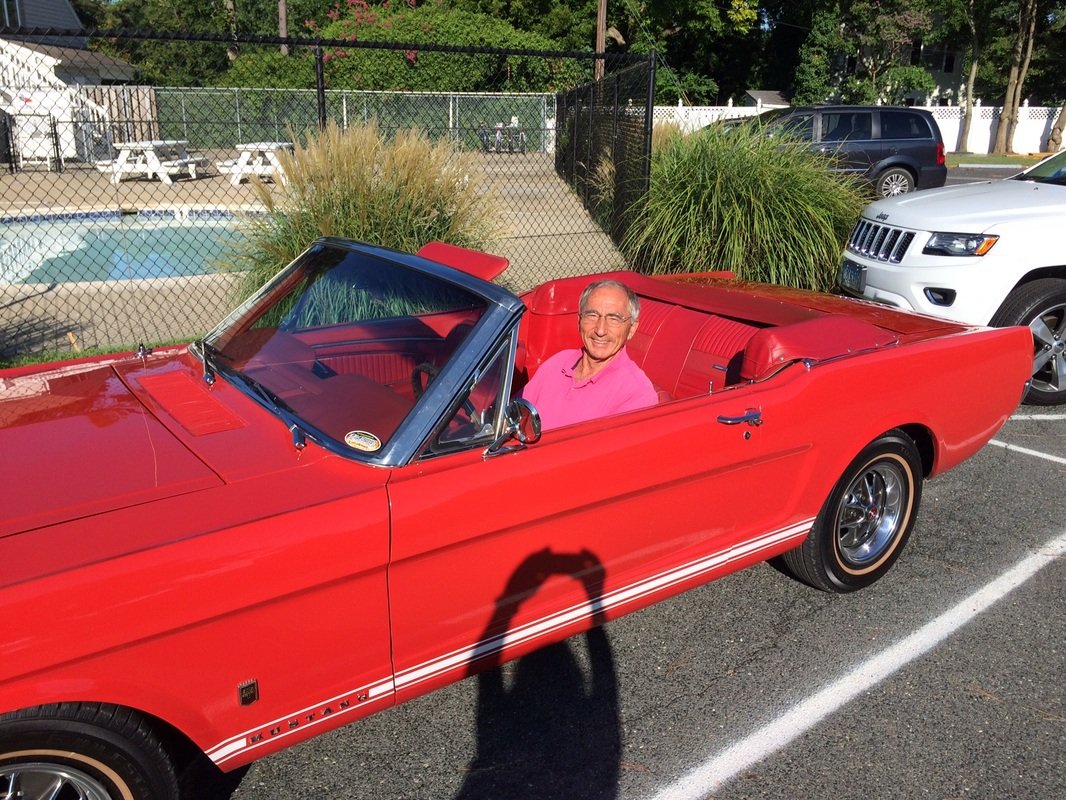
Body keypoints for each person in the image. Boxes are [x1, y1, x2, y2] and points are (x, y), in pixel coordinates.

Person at [522, 279, 658, 430]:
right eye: (592, 315)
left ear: (631, 329)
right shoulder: (557, 363)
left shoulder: (636, 393)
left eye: (614, 319)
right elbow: (516, 414)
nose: (600, 330)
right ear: (579, 321)